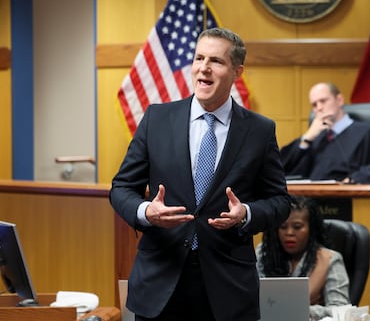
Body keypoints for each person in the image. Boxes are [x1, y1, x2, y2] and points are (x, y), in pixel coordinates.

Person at [110, 27, 291, 321]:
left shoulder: (259, 130)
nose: (203, 68)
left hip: (227, 288)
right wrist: (146, 212)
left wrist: (245, 213)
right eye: (198, 58)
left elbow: (280, 202)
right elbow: (121, 188)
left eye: (216, 61)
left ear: (237, 71)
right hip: (161, 281)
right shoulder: (157, 118)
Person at [256, 195, 351, 321]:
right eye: (283, 227)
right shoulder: (263, 254)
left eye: (297, 227)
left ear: (311, 229)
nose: (289, 233)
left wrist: (303, 311)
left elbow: (340, 309)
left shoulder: (330, 259)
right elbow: (252, 299)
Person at [280, 82, 370, 183]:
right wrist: (307, 138)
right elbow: (282, 170)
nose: (319, 108)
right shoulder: (316, 138)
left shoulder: (368, 133)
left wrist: (354, 179)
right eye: (314, 105)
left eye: (323, 101)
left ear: (339, 100)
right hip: (311, 202)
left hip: (352, 202)